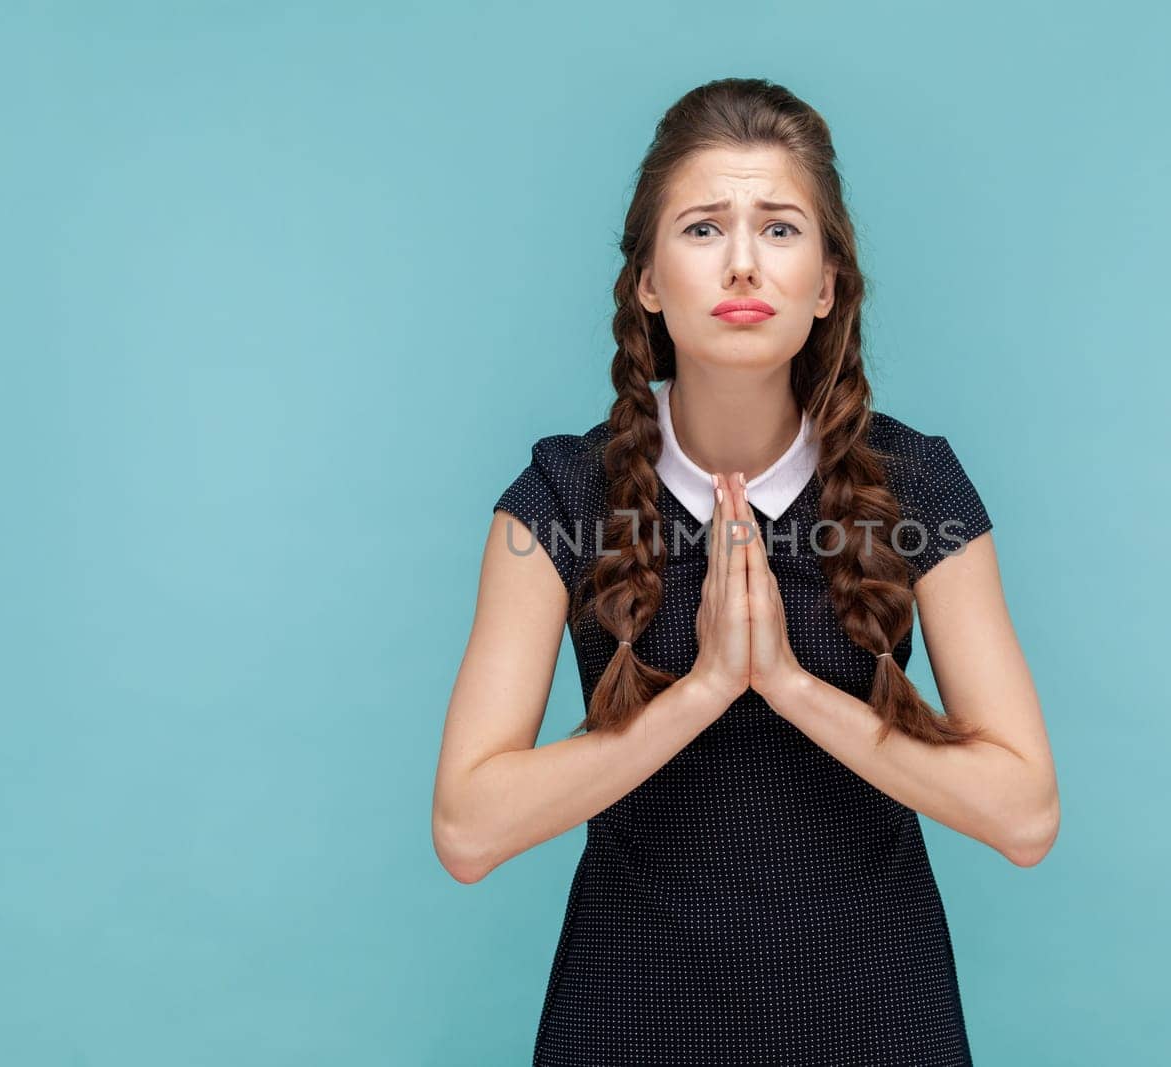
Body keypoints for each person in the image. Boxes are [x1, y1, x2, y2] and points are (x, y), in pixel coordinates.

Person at [432, 76, 1057, 1066]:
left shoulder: (918, 485)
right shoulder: (557, 497)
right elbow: (468, 827)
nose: (739, 263)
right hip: (628, 1026)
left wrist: (794, 688)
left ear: (826, 285)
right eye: (700, 228)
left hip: (877, 1025)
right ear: (645, 280)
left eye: (777, 229)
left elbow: (1023, 811)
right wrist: (703, 690)